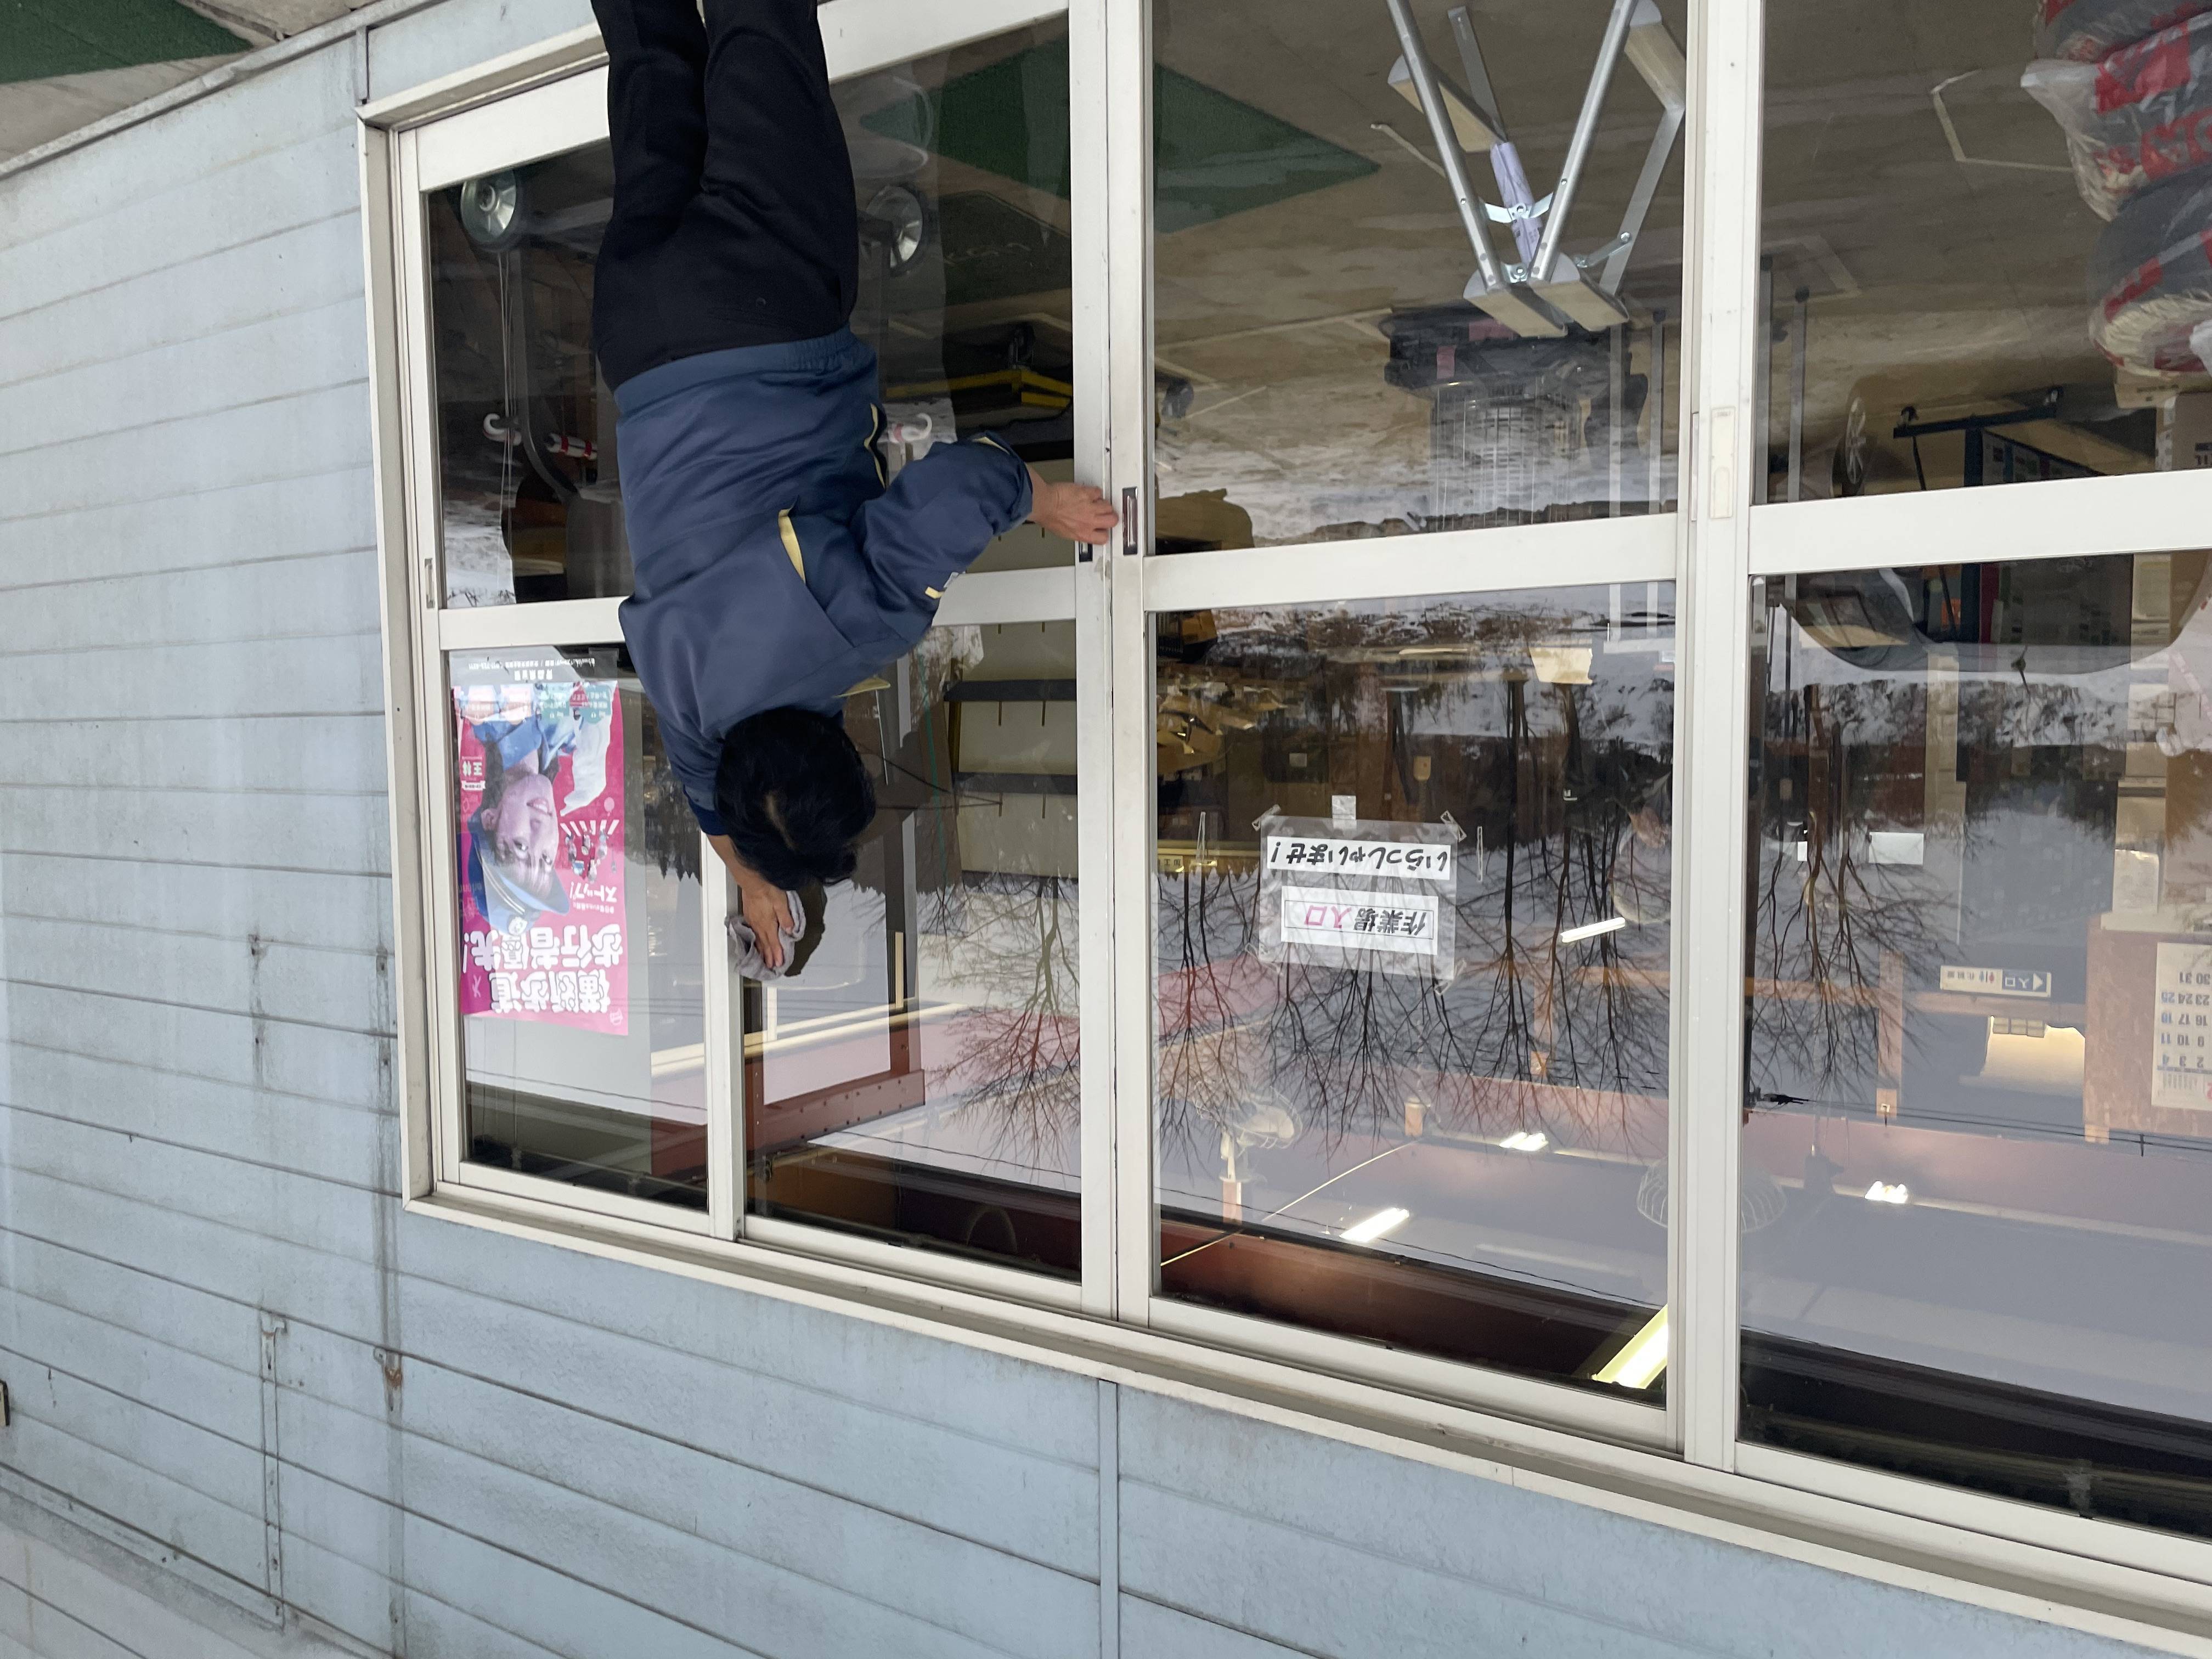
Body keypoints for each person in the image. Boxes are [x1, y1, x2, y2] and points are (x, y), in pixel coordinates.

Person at [591, 0, 1118, 969]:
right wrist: (755, 876)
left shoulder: (860, 631)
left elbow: (958, 491)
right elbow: (713, 793)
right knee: (652, 59)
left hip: (762, 305)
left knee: (762, 37)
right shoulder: (692, 698)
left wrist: (1040, 503)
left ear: (848, 748)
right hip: (637, 337)